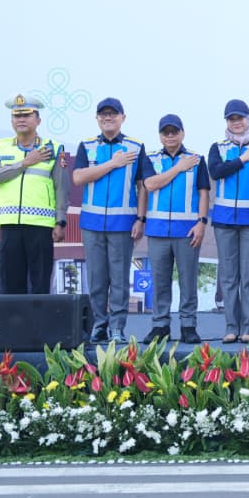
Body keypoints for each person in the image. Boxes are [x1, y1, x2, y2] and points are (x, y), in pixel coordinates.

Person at [73, 97, 148, 343]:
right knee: (96, 279)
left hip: (123, 223)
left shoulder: (135, 147)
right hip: (92, 224)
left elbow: (143, 186)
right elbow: (78, 178)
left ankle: (117, 327)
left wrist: (141, 219)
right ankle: (99, 325)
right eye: (103, 114)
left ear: (122, 118)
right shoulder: (87, 146)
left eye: (113, 114)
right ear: (97, 118)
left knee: (119, 279)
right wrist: (113, 163)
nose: (108, 117)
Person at [0, 94, 70, 295]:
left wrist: (60, 222)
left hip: (41, 227)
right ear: (11, 121)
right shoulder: (0, 146)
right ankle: (14, 318)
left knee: (40, 285)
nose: (21, 119)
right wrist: (25, 163)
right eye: (17, 116)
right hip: (9, 226)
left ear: (38, 120)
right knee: (11, 285)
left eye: (26, 115)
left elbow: (62, 187)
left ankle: (40, 317)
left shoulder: (53, 148)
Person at [207, 99, 249, 345]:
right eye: (231, 119)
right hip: (224, 220)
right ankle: (230, 327)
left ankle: (248, 327)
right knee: (228, 277)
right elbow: (216, 172)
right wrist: (243, 159)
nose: (236, 122)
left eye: (240, 118)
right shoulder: (218, 147)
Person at [142, 114, 210, 344]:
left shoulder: (197, 160)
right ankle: (160, 325)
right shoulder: (150, 158)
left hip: (187, 231)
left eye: (174, 132)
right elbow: (150, 184)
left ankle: (188, 325)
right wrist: (179, 168)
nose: (170, 136)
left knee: (188, 281)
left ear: (182, 133)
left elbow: (203, 192)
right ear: (160, 135)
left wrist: (202, 222)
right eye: (165, 132)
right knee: (160, 281)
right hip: (157, 230)